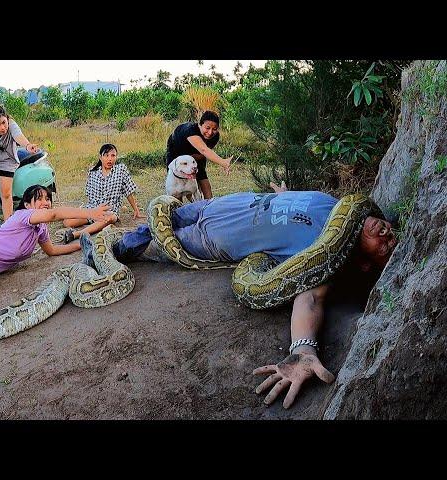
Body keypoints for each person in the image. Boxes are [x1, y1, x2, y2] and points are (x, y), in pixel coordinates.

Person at [81, 183, 397, 409]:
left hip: (211, 239)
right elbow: (294, 206)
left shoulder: (324, 260)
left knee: (145, 242)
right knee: (159, 216)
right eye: (390, 232)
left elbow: (310, 299)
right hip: (222, 204)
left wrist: (303, 352)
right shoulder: (338, 206)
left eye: (386, 248)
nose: (388, 234)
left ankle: (99, 251)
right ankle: (110, 242)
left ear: (365, 263)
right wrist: (282, 195)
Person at [61, 143, 145, 244]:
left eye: (113, 155)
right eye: (106, 155)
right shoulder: (93, 172)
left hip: (109, 211)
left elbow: (129, 191)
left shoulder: (121, 170)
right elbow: (89, 195)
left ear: (116, 157)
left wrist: (135, 209)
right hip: (93, 209)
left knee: (110, 218)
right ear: (100, 157)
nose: (110, 159)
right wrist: (88, 212)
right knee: (67, 222)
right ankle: (94, 222)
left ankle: (76, 234)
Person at [165, 110, 233, 200]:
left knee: (201, 175)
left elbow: (204, 153)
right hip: (177, 151)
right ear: (200, 125)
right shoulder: (190, 130)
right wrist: (223, 162)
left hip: (196, 153)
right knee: (177, 184)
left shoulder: (215, 136)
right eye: (207, 128)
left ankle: (209, 205)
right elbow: (204, 150)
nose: (210, 132)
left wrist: (195, 159)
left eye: (215, 129)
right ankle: (179, 208)